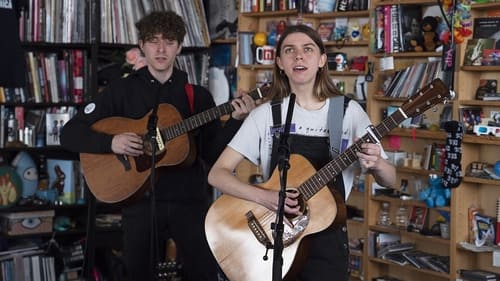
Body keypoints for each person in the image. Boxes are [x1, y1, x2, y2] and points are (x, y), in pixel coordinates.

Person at [60, 11, 256, 281]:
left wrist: (236, 121)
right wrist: (111, 142)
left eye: (169, 41)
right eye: (153, 41)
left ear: (180, 46)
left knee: (203, 274)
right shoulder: (122, 91)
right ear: (141, 45)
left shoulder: (196, 96)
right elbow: (69, 134)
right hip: (139, 204)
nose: (161, 49)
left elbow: (214, 154)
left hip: (189, 204)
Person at [208, 24, 396, 281]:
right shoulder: (267, 114)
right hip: (272, 239)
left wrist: (377, 164)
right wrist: (266, 199)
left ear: (321, 60)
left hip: (327, 242)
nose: (299, 56)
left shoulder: (347, 113)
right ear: (280, 63)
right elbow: (217, 174)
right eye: (289, 50)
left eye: (307, 49)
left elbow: (390, 179)